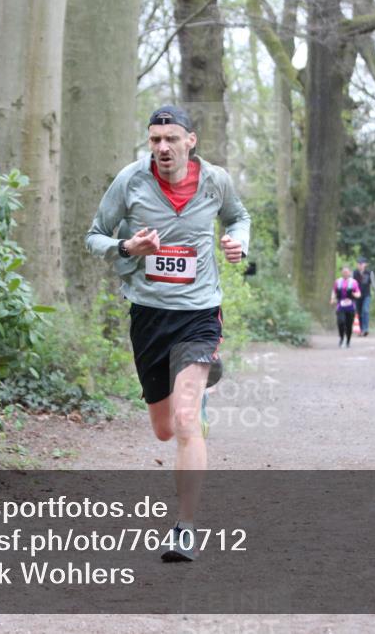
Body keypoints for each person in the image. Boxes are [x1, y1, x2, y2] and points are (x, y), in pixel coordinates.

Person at [85, 105, 250, 562]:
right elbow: (95, 235)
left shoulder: (215, 181)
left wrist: (239, 243)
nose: (162, 147)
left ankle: (185, 528)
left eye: (171, 139)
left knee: (185, 420)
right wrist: (126, 246)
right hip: (149, 316)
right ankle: (193, 400)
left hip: (199, 314)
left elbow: (238, 217)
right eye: (155, 139)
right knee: (164, 430)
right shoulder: (131, 181)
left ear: (190, 141)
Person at [330, 266, 361, 348]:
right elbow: (334, 291)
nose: (345, 274)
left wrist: (354, 294)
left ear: (350, 273)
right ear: (342, 273)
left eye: (347, 272)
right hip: (340, 306)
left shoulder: (354, 282)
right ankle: (341, 337)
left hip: (350, 307)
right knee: (340, 322)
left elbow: (358, 293)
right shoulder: (338, 281)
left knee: (349, 325)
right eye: (344, 272)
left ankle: (348, 340)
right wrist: (332, 299)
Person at [352, 257, 375, 336]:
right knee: (358, 313)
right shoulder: (354, 273)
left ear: (365, 264)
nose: (360, 265)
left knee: (365, 310)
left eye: (362, 263)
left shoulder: (369, 273)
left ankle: (365, 329)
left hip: (366, 295)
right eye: (359, 263)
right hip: (357, 296)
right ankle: (360, 330)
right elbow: (350, 284)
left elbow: (374, 284)